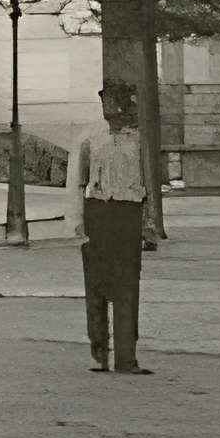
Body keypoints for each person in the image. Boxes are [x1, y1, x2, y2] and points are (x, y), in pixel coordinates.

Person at [74, 79, 151, 375]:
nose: (113, 111)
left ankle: (126, 357)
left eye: (118, 105)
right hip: (98, 213)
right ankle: (99, 353)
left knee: (127, 286)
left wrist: (148, 223)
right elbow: (79, 183)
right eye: (106, 104)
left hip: (128, 213)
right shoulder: (91, 139)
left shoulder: (140, 140)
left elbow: (149, 182)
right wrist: (78, 222)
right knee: (96, 285)